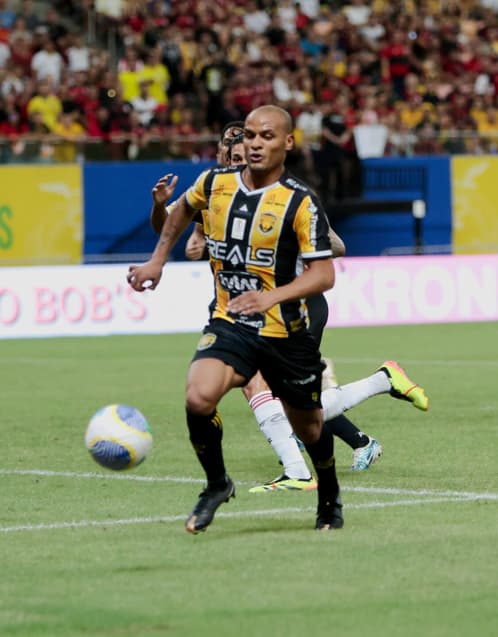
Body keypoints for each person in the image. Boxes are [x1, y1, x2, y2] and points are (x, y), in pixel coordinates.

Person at [151, 126, 427, 483]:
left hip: (296, 306)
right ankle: (375, 397)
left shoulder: (284, 198)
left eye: (238, 157)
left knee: (275, 394)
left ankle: (302, 467)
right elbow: (169, 225)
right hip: (248, 310)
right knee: (281, 397)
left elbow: (336, 246)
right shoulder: (217, 195)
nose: (233, 162)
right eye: (227, 156)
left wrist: (286, 249)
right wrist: (162, 207)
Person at [129, 104, 343, 532]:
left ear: (287, 143)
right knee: (198, 397)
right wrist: (157, 261)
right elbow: (181, 212)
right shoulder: (214, 183)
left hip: (285, 330)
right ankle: (217, 484)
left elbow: (325, 273)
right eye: (250, 135)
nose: (256, 143)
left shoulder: (299, 201)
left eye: (267, 136)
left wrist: (271, 297)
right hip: (230, 320)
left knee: (311, 428)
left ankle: (329, 494)